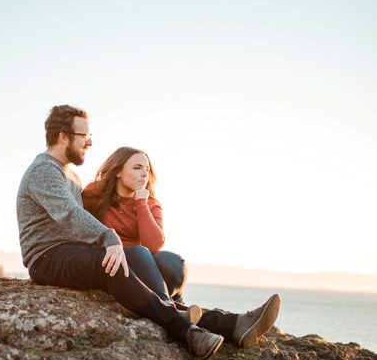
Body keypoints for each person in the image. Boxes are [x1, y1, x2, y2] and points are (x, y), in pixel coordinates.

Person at [16, 105, 277, 359]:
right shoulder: (45, 171)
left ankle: (233, 325)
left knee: (133, 256)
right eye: (84, 136)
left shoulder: (70, 175)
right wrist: (110, 238)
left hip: (74, 252)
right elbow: (71, 216)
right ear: (63, 137)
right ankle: (186, 330)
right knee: (112, 264)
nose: (90, 143)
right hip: (47, 257)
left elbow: (149, 242)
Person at [83, 146, 281, 349]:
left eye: (147, 169)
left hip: (144, 270)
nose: (144, 173)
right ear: (118, 170)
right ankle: (233, 324)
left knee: (170, 262)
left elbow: (154, 244)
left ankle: (173, 306)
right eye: (137, 167)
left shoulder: (150, 204)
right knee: (140, 253)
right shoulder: (93, 194)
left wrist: (141, 203)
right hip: (113, 267)